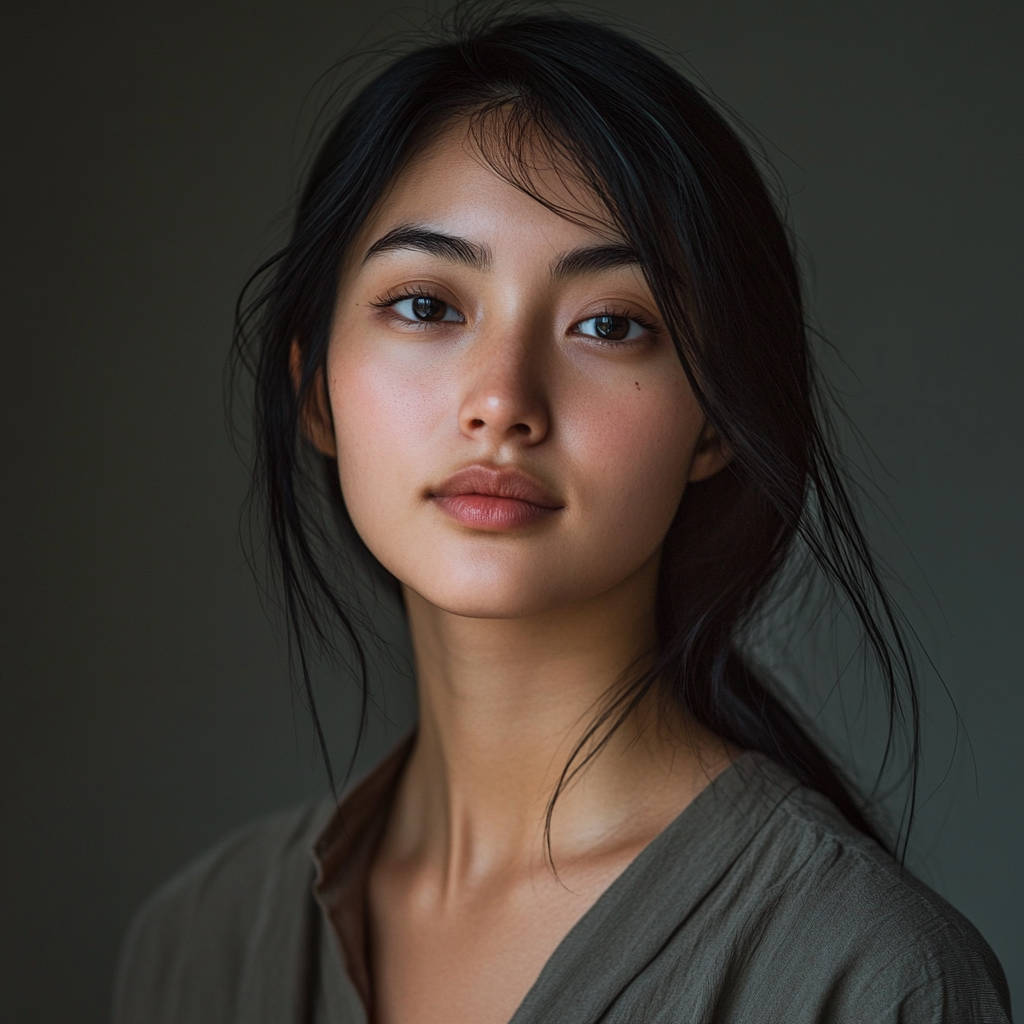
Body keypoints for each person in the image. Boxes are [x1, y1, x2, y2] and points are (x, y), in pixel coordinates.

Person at [112, 7, 1011, 1023]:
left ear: (713, 420)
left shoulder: (868, 975)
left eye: (610, 324)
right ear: (313, 390)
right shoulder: (197, 947)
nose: (501, 399)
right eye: (427, 305)